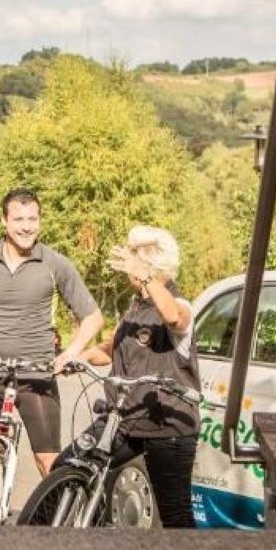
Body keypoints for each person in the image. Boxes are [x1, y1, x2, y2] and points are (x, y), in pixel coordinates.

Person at [0, 187, 105, 525]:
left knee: (49, 461)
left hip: (38, 374)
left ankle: (57, 536)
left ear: (40, 221)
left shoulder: (55, 263)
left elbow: (93, 317)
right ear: (3, 221)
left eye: (32, 219)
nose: (26, 226)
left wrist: (70, 353)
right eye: (19, 219)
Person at [69, 224, 200, 529]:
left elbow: (172, 317)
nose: (128, 272)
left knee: (175, 513)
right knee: (71, 466)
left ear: (150, 267)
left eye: (134, 262)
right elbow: (110, 348)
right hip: (125, 418)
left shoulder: (179, 304)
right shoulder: (135, 307)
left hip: (167, 424)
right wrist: (79, 357)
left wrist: (145, 275)